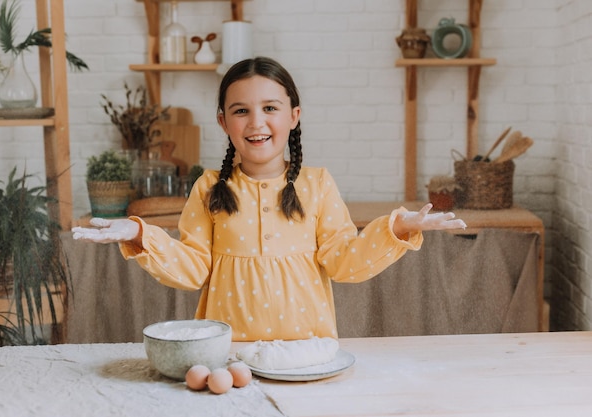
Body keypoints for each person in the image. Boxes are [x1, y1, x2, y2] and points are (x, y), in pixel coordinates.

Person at [72, 56, 467, 342]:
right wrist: (138, 234)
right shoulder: (208, 187)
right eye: (241, 110)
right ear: (223, 122)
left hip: (307, 352)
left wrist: (397, 228)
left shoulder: (317, 184)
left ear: (294, 116)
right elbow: (192, 269)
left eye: (270, 108)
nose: (256, 122)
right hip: (228, 355)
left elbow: (344, 261)